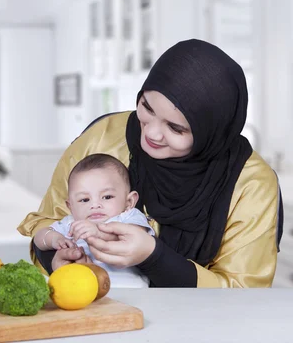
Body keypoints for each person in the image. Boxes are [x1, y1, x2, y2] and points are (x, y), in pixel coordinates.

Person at [18, 39, 284, 288]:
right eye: (147, 107)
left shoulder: (251, 183)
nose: (152, 134)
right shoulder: (101, 138)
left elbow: (244, 290)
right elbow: (50, 222)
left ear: (211, 131)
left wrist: (154, 257)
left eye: (176, 128)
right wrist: (56, 259)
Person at [33, 153, 154, 287]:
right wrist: (55, 239)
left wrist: (98, 232)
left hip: (130, 292)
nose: (95, 205)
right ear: (70, 206)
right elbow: (39, 238)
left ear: (129, 201)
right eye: (84, 200)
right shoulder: (71, 223)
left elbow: (135, 238)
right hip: (83, 293)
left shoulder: (129, 217)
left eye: (107, 197)